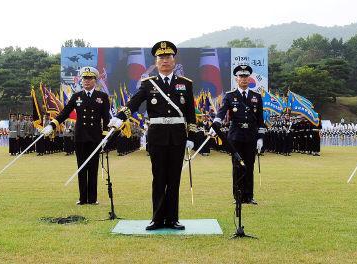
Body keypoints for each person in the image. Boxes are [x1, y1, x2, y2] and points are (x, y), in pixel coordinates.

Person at [109, 41, 197, 230]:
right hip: (157, 137)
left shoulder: (185, 84)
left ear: (174, 60)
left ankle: (173, 218)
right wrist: (119, 117)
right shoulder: (148, 84)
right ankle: (157, 218)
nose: (164, 61)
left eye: (168, 57)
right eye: (161, 58)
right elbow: (134, 102)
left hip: (177, 137)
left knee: (174, 179)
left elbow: (190, 112)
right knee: (158, 178)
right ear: (156, 62)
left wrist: (192, 137)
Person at [41, 66, 111, 205]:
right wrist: (52, 125)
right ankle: (82, 198)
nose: (86, 81)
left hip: (95, 137)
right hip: (80, 137)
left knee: (93, 167)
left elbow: (106, 119)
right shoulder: (76, 96)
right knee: (81, 167)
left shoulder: (102, 97)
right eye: (84, 78)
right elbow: (65, 113)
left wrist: (105, 137)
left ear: (95, 80)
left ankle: (92, 199)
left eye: (89, 78)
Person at [212, 65, 265, 205]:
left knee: (249, 165)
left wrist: (260, 138)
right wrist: (215, 124)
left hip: (251, 136)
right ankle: (238, 196)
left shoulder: (257, 97)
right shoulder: (230, 96)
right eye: (241, 76)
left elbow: (260, 120)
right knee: (237, 166)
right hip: (236, 136)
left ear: (249, 78)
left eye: (246, 76)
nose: (244, 79)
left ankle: (249, 196)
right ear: (237, 79)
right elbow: (222, 112)